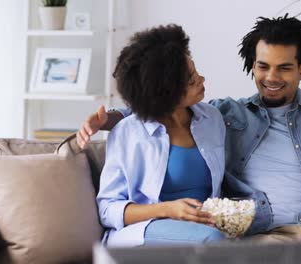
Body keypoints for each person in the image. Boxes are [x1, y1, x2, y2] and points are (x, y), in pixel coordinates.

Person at [80, 15, 301, 243]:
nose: (271, 77)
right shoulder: (229, 114)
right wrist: (111, 118)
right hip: (257, 233)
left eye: (284, 68)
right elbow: (156, 104)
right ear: (252, 65)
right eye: (262, 66)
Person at [96, 24, 227, 247]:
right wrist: (168, 209)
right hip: (142, 231)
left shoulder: (212, 119)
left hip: (199, 229)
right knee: (212, 240)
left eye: (196, 71)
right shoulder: (129, 133)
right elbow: (108, 209)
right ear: (166, 92)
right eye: (192, 80)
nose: (202, 79)